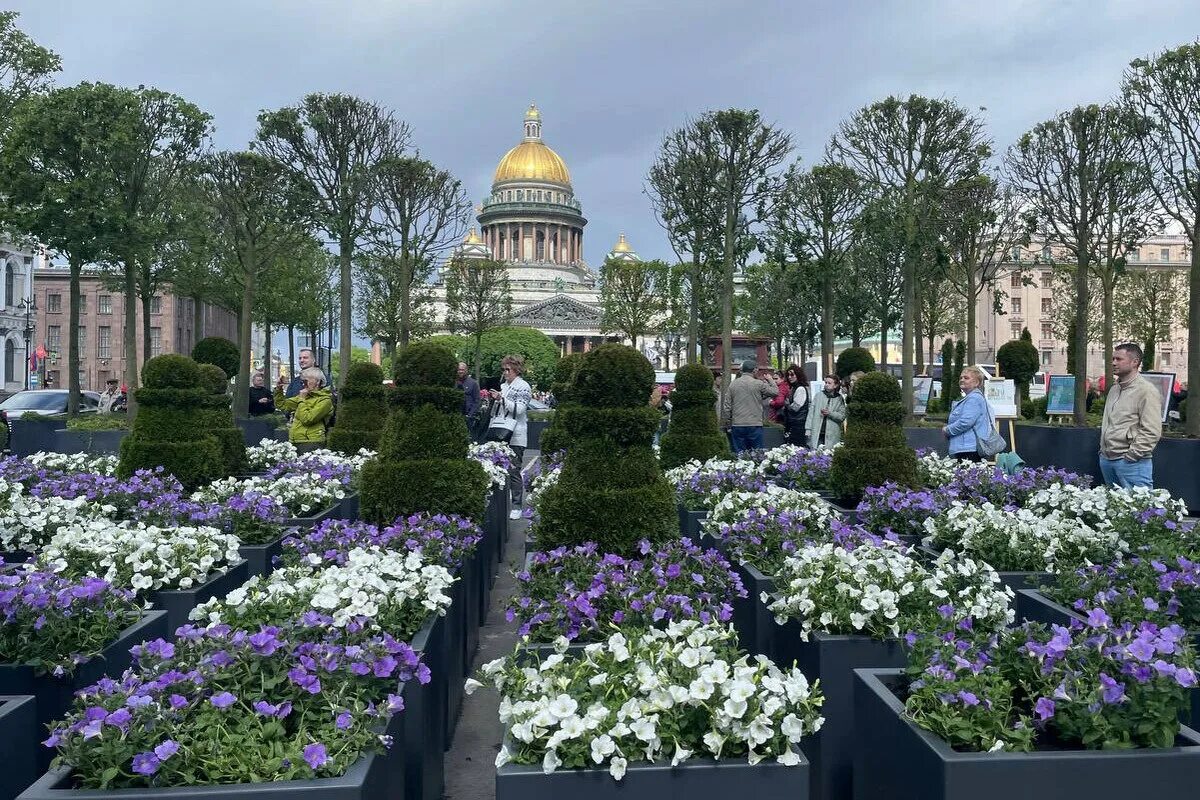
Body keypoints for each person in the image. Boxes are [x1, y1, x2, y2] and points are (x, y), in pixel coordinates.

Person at [1099, 343, 1162, 488]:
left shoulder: (1146, 391)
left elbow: (1152, 430)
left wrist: (1132, 455)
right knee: (1113, 508)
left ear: (1135, 362)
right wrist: (1103, 452)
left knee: (1140, 508)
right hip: (1107, 459)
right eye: (1113, 358)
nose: (1113, 362)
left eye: (1119, 359)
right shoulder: (1114, 389)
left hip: (1131, 462)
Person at [483, 354, 532, 519]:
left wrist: (502, 399)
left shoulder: (523, 386)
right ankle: (502, 501)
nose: (505, 372)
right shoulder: (503, 386)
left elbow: (520, 410)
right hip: (499, 431)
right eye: (503, 369)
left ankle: (517, 505)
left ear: (516, 370)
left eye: (508, 369)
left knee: (513, 469)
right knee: (498, 467)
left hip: (516, 434)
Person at [721, 359, 779, 453]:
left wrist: (728, 422)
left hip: (737, 424)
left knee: (739, 454)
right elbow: (775, 392)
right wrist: (771, 380)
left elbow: (727, 406)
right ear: (754, 370)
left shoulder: (733, 384)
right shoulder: (758, 384)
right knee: (757, 453)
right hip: (754, 424)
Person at [942, 365, 992, 462]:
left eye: (966, 378)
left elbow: (965, 422)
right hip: (966, 448)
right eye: (961, 378)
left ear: (976, 382)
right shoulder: (970, 398)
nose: (962, 380)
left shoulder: (974, 398)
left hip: (968, 448)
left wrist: (947, 430)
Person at [274, 366, 333, 445]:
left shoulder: (325, 400)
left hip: (311, 441)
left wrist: (302, 400)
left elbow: (308, 419)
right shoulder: (304, 396)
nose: (303, 384)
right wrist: (279, 389)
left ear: (318, 382)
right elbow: (281, 404)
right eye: (302, 381)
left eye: (306, 381)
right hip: (295, 439)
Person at [807, 374, 847, 448]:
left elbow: (842, 416)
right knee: (816, 453)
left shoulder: (839, 399)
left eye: (829, 383)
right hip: (817, 432)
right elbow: (811, 413)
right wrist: (808, 429)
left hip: (832, 433)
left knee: (829, 454)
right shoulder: (818, 395)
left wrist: (830, 413)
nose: (826, 385)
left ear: (835, 385)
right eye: (825, 383)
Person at [780, 364, 810, 447]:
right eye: (788, 375)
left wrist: (787, 405)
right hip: (794, 423)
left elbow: (796, 407)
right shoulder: (794, 388)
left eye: (792, 375)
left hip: (799, 424)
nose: (790, 377)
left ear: (798, 375)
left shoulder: (800, 389)